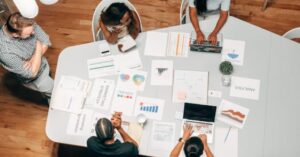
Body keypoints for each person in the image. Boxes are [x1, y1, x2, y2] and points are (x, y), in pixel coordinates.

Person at [0, 12, 53, 101]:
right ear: (15, 35)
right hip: (37, 79)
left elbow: (45, 40)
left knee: (50, 84)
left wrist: (33, 58)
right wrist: (39, 47)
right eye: (29, 34)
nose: (33, 32)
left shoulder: (26, 24)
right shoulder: (5, 52)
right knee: (54, 94)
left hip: (43, 64)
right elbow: (31, 73)